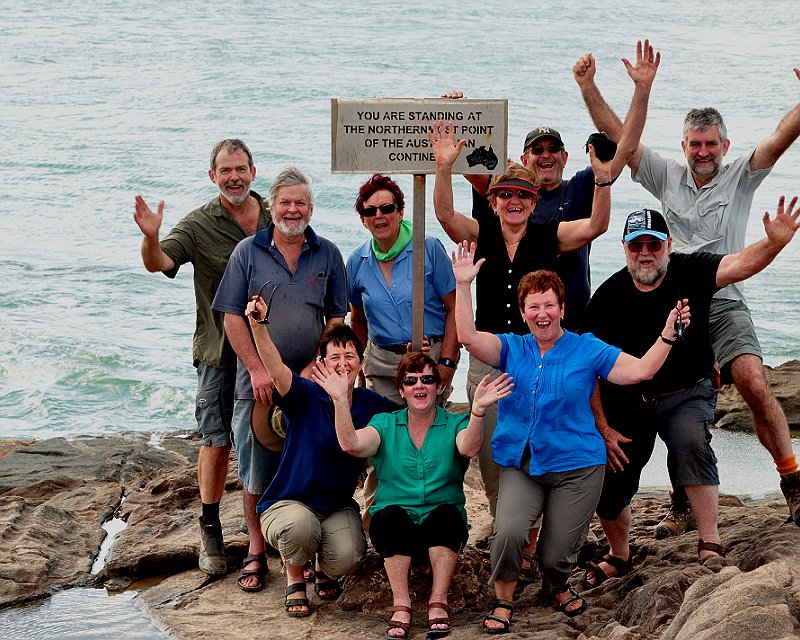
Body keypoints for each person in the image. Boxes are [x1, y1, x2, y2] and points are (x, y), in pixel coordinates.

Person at [576, 54, 800, 527]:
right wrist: (589, 86)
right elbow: (621, 136)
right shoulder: (666, 175)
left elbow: (779, 138)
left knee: (754, 382)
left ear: (725, 146)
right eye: (695, 144)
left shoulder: (741, 175)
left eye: (711, 143)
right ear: (684, 146)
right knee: (664, 393)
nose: (703, 152)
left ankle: (792, 479)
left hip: (723, 301)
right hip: (671, 304)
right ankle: (681, 495)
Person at [452, 242, 689, 630]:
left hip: (577, 466)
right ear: (524, 312)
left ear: (562, 309)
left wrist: (667, 336)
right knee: (509, 533)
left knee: (556, 552)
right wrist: (463, 285)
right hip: (523, 464)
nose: (542, 313)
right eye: (533, 306)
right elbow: (467, 337)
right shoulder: (511, 347)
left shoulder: (587, 349)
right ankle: (504, 598)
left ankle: (557, 585)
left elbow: (641, 371)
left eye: (549, 305)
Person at [582, 202, 799, 587]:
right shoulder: (607, 298)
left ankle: (710, 540)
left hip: (687, 391)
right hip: (629, 401)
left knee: (690, 441)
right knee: (613, 474)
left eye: (653, 244)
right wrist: (602, 426)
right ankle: (620, 553)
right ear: (624, 248)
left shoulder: (691, 270)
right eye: (636, 245)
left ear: (668, 246)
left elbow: (740, 264)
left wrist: (774, 243)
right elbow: (589, 371)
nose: (645, 253)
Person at [133, 139, 270, 577]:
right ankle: (210, 528)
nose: (234, 177)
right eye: (225, 170)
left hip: (274, 351)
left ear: (253, 171)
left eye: (240, 169)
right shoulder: (198, 225)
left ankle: (268, 521)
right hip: (219, 353)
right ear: (213, 176)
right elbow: (158, 262)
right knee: (217, 440)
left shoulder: (276, 214)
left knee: (272, 436)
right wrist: (150, 236)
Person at [212, 166, 347, 592]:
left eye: (300, 203)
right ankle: (256, 549)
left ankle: (304, 554)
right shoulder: (247, 252)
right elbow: (232, 317)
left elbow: (336, 318)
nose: (293, 210)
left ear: (311, 208)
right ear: (271, 206)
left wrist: (315, 367)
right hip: (255, 385)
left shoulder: (328, 254)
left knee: (309, 465)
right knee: (257, 469)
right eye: (285, 202)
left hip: (311, 385)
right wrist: (256, 368)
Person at [321, 351, 512, 639]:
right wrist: (339, 401)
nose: (419, 386)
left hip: (442, 527)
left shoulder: (456, 423)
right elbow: (352, 444)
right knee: (388, 516)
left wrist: (478, 411)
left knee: (447, 515)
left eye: (427, 379)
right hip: (396, 528)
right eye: (411, 381)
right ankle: (402, 603)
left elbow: (469, 448)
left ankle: (439, 600)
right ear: (401, 390)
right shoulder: (385, 423)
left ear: (439, 386)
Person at [244, 293, 399, 617]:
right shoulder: (305, 395)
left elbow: (408, 413)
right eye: (335, 357)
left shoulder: (370, 403)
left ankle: (323, 568)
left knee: (350, 556)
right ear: (322, 363)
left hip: (335, 507)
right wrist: (259, 327)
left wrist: (417, 362)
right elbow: (275, 368)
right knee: (300, 528)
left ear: (360, 362)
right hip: (288, 503)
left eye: (350, 356)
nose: (343, 363)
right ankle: (294, 577)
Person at [347, 173, 460, 403]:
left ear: (400, 212)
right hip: (382, 365)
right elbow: (358, 320)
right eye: (370, 211)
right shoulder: (357, 261)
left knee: (427, 424)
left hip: (428, 360)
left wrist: (447, 362)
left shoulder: (429, 248)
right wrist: (358, 370)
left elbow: (455, 308)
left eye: (387, 208)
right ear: (363, 220)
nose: (379, 215)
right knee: (385, 424)